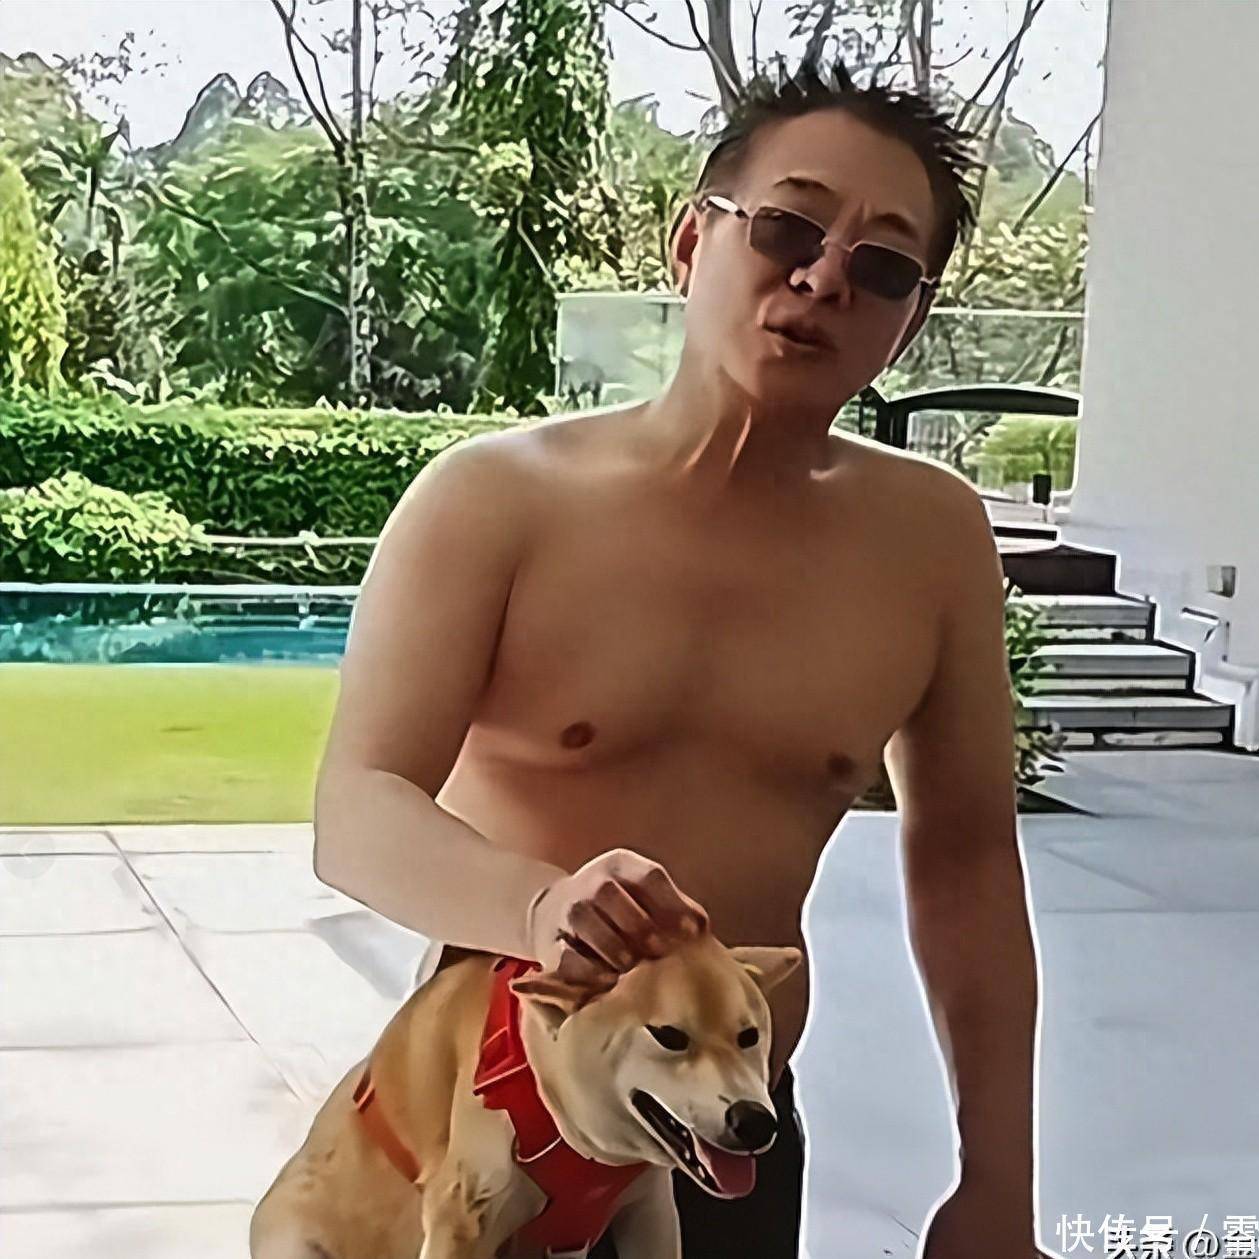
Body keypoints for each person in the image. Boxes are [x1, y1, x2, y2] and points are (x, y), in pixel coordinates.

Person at [312, 61, 1049, 1259]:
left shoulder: (930, 541)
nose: (822, 278)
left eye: (879, 267)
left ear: (908, 320)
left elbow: (966, 863)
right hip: (494, 1128)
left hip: (727, 1134)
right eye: (788, 229)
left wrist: (998, 1183)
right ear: (690, 240)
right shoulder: (495, 499)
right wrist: (539, 904)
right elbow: (356, 809)